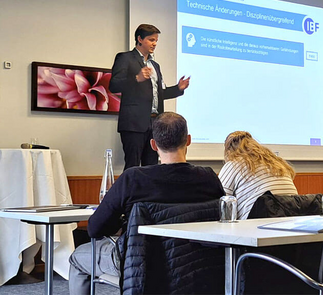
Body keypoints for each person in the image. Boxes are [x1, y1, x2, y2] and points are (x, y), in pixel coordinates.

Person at [68, 113, 224, 295]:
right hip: (196, 263)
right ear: (188, 140)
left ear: (153, 144)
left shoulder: (134, 178)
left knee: (78, 257)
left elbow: (95, 228)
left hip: (141, 263)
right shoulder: (209, 178)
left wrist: (122, 222)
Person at [110, 24, 191, 170]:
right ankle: (131, 193)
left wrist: (178, 89)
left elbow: (160, 93)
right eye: (151, 40)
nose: (154, 44)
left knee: (152, 167)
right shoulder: (125, 58)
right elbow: (114, 85)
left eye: (156, 41)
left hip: (155, 123)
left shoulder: (155, 65)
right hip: (134, 123)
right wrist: (136, 78)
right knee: (132, 166)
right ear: (139, 39)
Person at [219, 131, 298, 219]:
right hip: (293, 218)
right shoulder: (277, 162)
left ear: (228, 151)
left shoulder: (234, 164)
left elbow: (221, 200)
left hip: (259, 221)